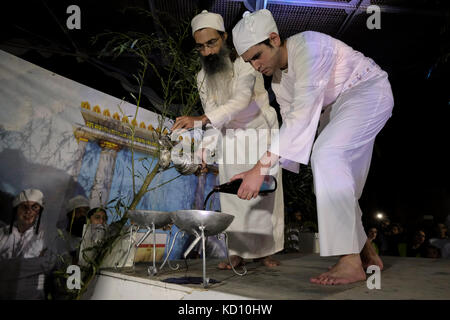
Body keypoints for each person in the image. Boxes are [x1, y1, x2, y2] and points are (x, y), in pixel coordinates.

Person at [231, 9, 394, 285]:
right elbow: (291, 127)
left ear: (274, 38)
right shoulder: (279, 81)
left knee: (327, 155)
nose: (256, 66)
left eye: (257, 56)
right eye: (250, 62)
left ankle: (349, 260)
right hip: (337, 108)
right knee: (334, 180)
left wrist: (260, 168)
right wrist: (259, 170)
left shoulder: (308, 46)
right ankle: (367, 254)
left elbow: (302, 114)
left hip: (367, 90)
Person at [171, 10, 284, 268]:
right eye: (201, 47)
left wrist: (200, 120)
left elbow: (240, 101)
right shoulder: (202, 77)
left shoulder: (245, 62)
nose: (208, 51)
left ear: (223, 37)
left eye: (212, 43)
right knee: (233, 196)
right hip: (230, 139)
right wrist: (203, 151)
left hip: (259, 134)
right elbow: (214, 119)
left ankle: (266, 251)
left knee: (264, 195)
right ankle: (237, 252)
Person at [0, 189, 46, 260]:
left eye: (34, 208)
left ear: (39, 213)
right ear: (17, 209)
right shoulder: (2, 234)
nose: (28, 211)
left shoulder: (43, 238)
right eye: (24, 206)